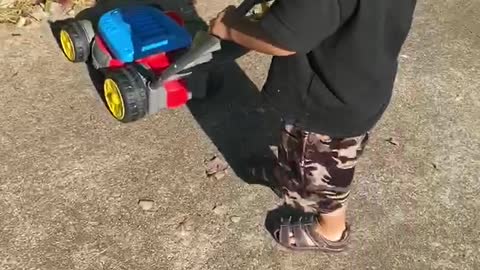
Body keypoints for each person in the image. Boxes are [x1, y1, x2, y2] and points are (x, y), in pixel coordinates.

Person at [209, 0, 417, 252]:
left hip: (324, 101)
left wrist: (231, 28)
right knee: (306, 150)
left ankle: (330, 232)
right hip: (363, 78)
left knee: (323, 173)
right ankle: (289, 176)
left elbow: (281, 41)